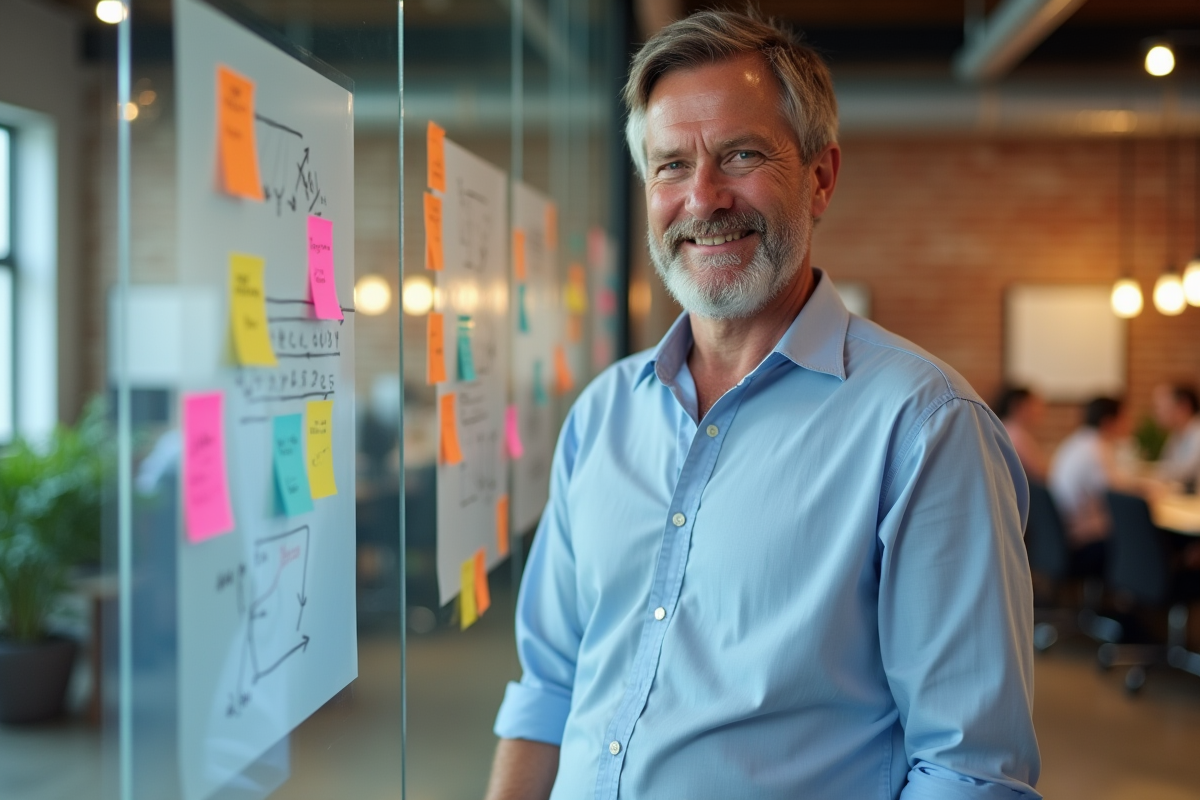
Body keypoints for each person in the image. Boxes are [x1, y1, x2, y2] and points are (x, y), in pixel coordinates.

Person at [487, 11, 1039, 800]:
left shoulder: (923, 429)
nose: (703, 198)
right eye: (671, 165)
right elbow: (548, 686)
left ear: (820, 178)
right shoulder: (603, 416)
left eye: (741, 155)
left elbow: (969, 773)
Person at [1048, 397, 1130, 568]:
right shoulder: (1097, 449)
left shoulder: (1076, 441)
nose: (1128, 423)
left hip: (1059, 535)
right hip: (1080, 539)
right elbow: (1117, 496)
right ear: (1108, 421)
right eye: (1124, 418)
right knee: (1139, 532)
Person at [994, 385, 1049, 483]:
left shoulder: (1007, 428)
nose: (1040, 410)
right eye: (1034, 404)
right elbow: (1041, 471)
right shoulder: (1014, 433)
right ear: (1019, 406)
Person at [1153, 383, 1200, 488]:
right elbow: (1164, 467)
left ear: (1183, 406)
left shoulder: (1197, 435)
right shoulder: (1177, 435)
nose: (1158, 412)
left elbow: (1182, 473)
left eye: (1162, 406)